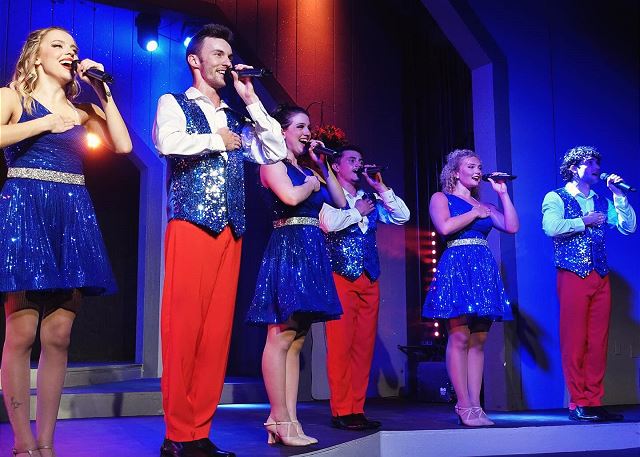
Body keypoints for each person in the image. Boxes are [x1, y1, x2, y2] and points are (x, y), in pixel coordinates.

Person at [152, 23, 286, 457]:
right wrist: (217, 141)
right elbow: (167, 142)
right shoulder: (174, 101)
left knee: (215, 335)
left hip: (231, 230)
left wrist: (252, 100)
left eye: (230, 55)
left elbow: (276, 151)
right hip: (191, 223)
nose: (227, 62)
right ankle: (177, 433)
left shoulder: (236, 114)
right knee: (183, 329)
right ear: (195, 60)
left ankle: (199, 431)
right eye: (219, 54)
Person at [0, 26, 132, 457]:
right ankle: (22, 444)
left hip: (72, 214)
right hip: (26, 209)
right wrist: (44, 122)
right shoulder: (12, 98)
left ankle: (47, 444)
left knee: (58, 335)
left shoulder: (83, 111)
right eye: (57, 45)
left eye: (73, 47)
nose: (69, 52)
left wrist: (102, 92)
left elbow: (123, 145)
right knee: (22, 332)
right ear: (35, 56)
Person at [246, 105, 346, 447]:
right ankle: (279, 417)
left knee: (298, 337)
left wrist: (322, 167)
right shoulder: (272, 164)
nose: (307, 132)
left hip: (311, 249)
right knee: (280, 335)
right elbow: (290, 197)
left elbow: (341, 202)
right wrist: (310, 183)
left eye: (309, 127)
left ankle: (288, 417)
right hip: (288, 247)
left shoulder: (308, 169)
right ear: (282, 130)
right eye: (300, 126)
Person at [422, 149, 518, 427]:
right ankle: (463, 403)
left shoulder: (484, 204)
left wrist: (502, 194)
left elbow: (511, 226)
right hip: (457, 267)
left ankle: (476, 405)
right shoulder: (441, 198)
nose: (478, 171)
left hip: (483, 269)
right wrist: (474, 213)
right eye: (471, 166)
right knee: (459, 337)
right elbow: (444, 227)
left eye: (479, 166)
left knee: (479, 340)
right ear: (455, 172)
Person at [542, 146, 635, 422]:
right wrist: (584, 221)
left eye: (597, 162)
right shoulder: (556, 196)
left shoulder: (602, 200)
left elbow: (628, 227)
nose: (596, 167)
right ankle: (578, 402)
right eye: (590, 162)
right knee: (574, 340)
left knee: (598, 340)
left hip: (600, 275)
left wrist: (619, 195)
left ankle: (593, 400)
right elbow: (551, 227)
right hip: (573, 274)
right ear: (574, 168)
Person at [319, 146, 410, 430]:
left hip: (369, 277)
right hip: (341, 276)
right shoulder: (327, 194)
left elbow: (402, 216)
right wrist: (356, 213)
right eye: (352, 160)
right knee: (340, 345)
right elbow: (328, 224)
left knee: (363, 346)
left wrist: (381, 188)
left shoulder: (370, 198)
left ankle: (356, 408)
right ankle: (341, 409)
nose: (359, 165)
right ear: (336, 166)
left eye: (360, 160)